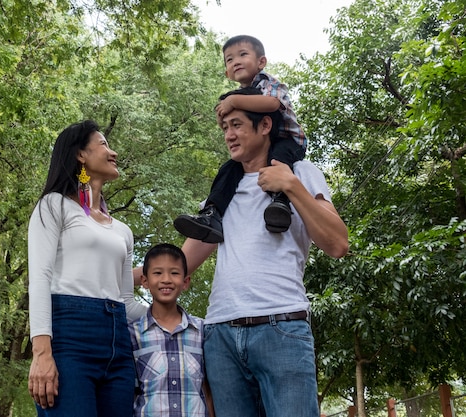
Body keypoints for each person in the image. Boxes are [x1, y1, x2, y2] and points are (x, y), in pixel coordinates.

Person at [180, 89, 349, 417]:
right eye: (225, 127)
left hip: (281, 326)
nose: (229, 135)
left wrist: (290, 185)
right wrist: (123, 277)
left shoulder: (301, 172)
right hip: (221, 334)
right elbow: (180, 264)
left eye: (237, 125)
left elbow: (337, 244)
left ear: (265, 125)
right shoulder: (223, 190)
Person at [27, 120, 147, 417]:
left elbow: (127, 302)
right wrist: (42, 353)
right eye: (104, 144)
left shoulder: (122, 231)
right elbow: (40, 279)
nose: (114, 152)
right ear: (81, 154)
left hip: (119, 346)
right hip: (70, 339)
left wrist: (178, 317)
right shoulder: (53, 206)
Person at [174, 35, 307, 242]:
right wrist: (224, 115)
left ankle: (280, 203)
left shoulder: (267, 82)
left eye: (243, 54)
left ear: (261, 62)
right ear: (227, 72)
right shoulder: (238, 95)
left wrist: (234, 101)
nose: (235, 61)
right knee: (228, 169)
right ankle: (213, 214)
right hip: (266, 142)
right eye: (229, 59)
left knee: (277, 161)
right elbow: (235, 119)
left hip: (288, 141)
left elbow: (272, 104)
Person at [130, 243, 215, 417]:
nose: (166, 279)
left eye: (174, 273)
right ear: (144, 281)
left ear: (185, 282)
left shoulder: (202, 331)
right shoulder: (133, 334)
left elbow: (208, 390)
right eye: (158, 273)